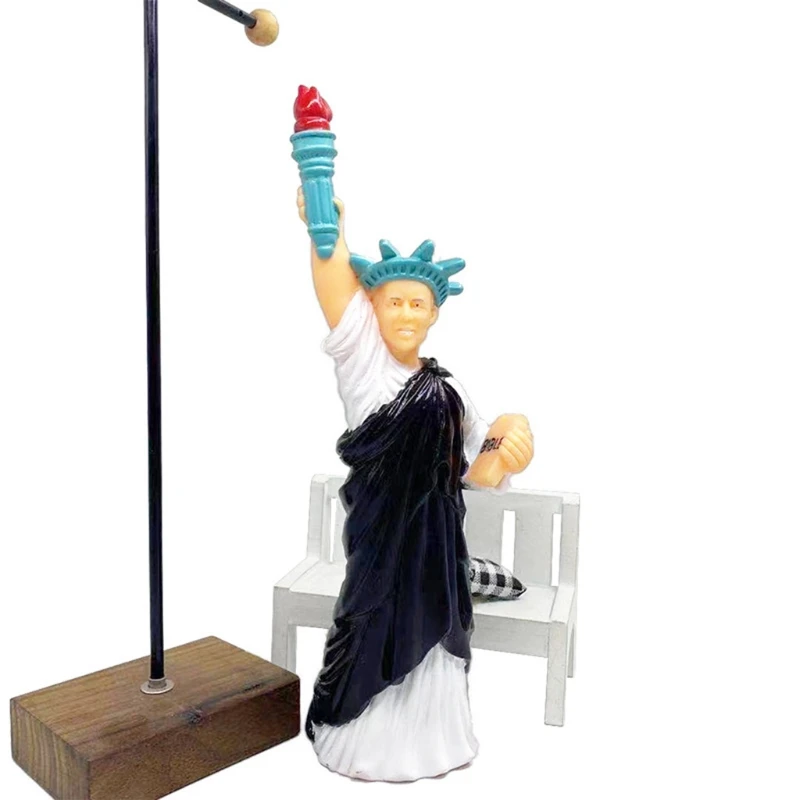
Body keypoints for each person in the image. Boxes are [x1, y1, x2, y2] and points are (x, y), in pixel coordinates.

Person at [297, 189, 533, 781]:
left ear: (434, 314)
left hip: (437, 544)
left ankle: (434, 739)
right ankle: (357, 737)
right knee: (369, 617)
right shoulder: (363, 363)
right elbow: (333, 284)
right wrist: (327, 227)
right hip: (381, 539)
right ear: (373, 310)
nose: (405, 314)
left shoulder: (449, 391)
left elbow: (479, 466)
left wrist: (511, 444)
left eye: (418, 304)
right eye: (393, 302)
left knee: (436, 627)